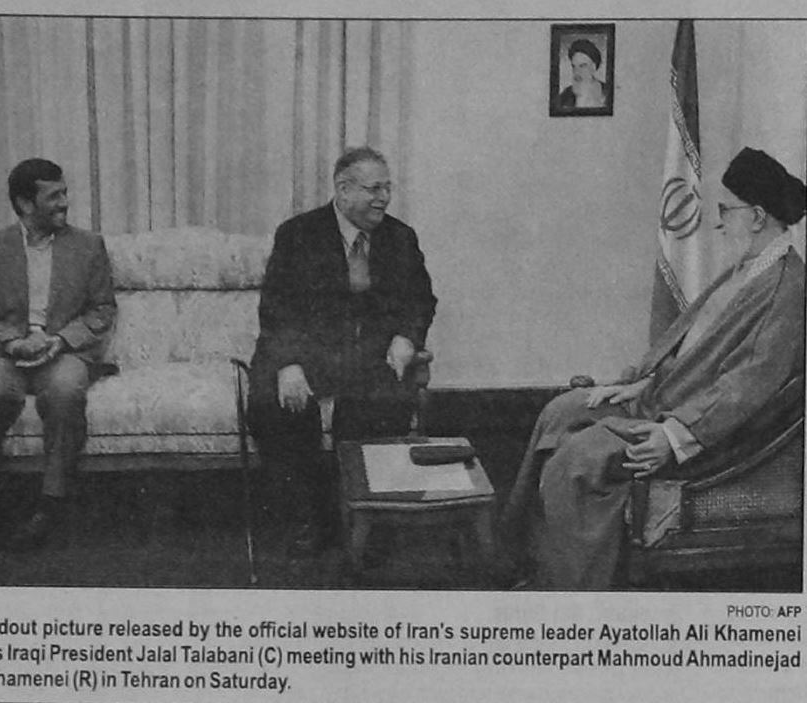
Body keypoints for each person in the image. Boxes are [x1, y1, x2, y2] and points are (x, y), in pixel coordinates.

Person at [502, 147, 806, 590]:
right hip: (661, 398)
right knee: (560, 412)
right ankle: (525, 561)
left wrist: (673, 436)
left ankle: (569, 594)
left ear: (758, 217)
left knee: (576, 461)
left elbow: (747, 385)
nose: (719, 222)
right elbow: (691, 348)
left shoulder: (786, 288)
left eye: (726, 210)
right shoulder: (746, 269)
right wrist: (640, 383)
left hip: (699, 435)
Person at [248, 146, 437, 553]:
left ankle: (368, 518)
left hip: (367, 354)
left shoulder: (400, 237)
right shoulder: (298, 234)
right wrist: (289, 364)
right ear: (343, 189)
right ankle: (309, 519)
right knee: (277, 409)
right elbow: (276, 307)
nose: (383, 198)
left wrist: (406, 337)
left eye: (387, 188)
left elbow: (421, 300)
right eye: (373, 189)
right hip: (304, 351)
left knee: (379, 405)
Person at [0, 158, 117, 550]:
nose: (65, 202)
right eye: (54, 196)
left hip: (61, 350)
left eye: (64, 193)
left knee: (66, 391)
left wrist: (61, 340)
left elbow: (102, 309)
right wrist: (13, 342)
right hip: (4, 351)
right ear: (25, 204)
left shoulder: (89, 246)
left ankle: (50, 504)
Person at [555, 38, 608, 111]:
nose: (576, 72)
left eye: (582, 66)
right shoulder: (565, 96)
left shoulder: (607, 93)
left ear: (594, 67)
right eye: (574, 66)